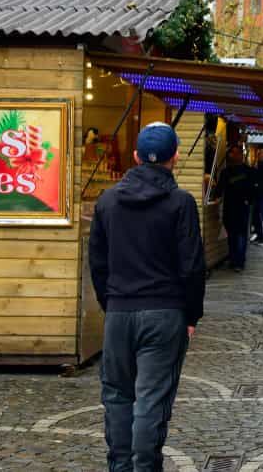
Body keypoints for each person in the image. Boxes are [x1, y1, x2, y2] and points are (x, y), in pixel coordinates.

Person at [89, 122, 205, 472]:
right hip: (165, 312)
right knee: (152, 399)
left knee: (117, 396)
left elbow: (97, 262)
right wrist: (190, 316)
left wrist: (111, 305)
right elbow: (193, 266)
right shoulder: (181, 203)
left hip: (120, 311)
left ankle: (120, 467)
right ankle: (145, 466)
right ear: (175, 157)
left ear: (137, 156)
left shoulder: (107, 201)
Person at [215, 144, 255, 270]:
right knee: (235, 235)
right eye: (233, 153)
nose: (235, 155)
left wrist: (249, 200)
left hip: (239, 207)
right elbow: (219, 189)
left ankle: (237, 261)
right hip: (235, 207)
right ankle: (236, 260)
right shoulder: (228, 172)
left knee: (238, 235)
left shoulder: (233, 172)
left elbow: (219, 190)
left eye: (236, 153)